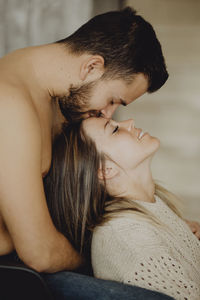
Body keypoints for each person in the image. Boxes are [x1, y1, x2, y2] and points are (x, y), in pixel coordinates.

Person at [0, 7, 169, 275]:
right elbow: (40, 253)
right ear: (92, 66)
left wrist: (167, 230)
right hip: (17, 269)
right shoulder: (9, 104)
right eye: (113, 100)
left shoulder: (55, 97)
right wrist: (112, 256)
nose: (108, 114)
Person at [44, 117, 200, 300]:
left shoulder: (151, 206)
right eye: (115, 130)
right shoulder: (129, 238)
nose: (130, 122)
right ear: (104, 170)